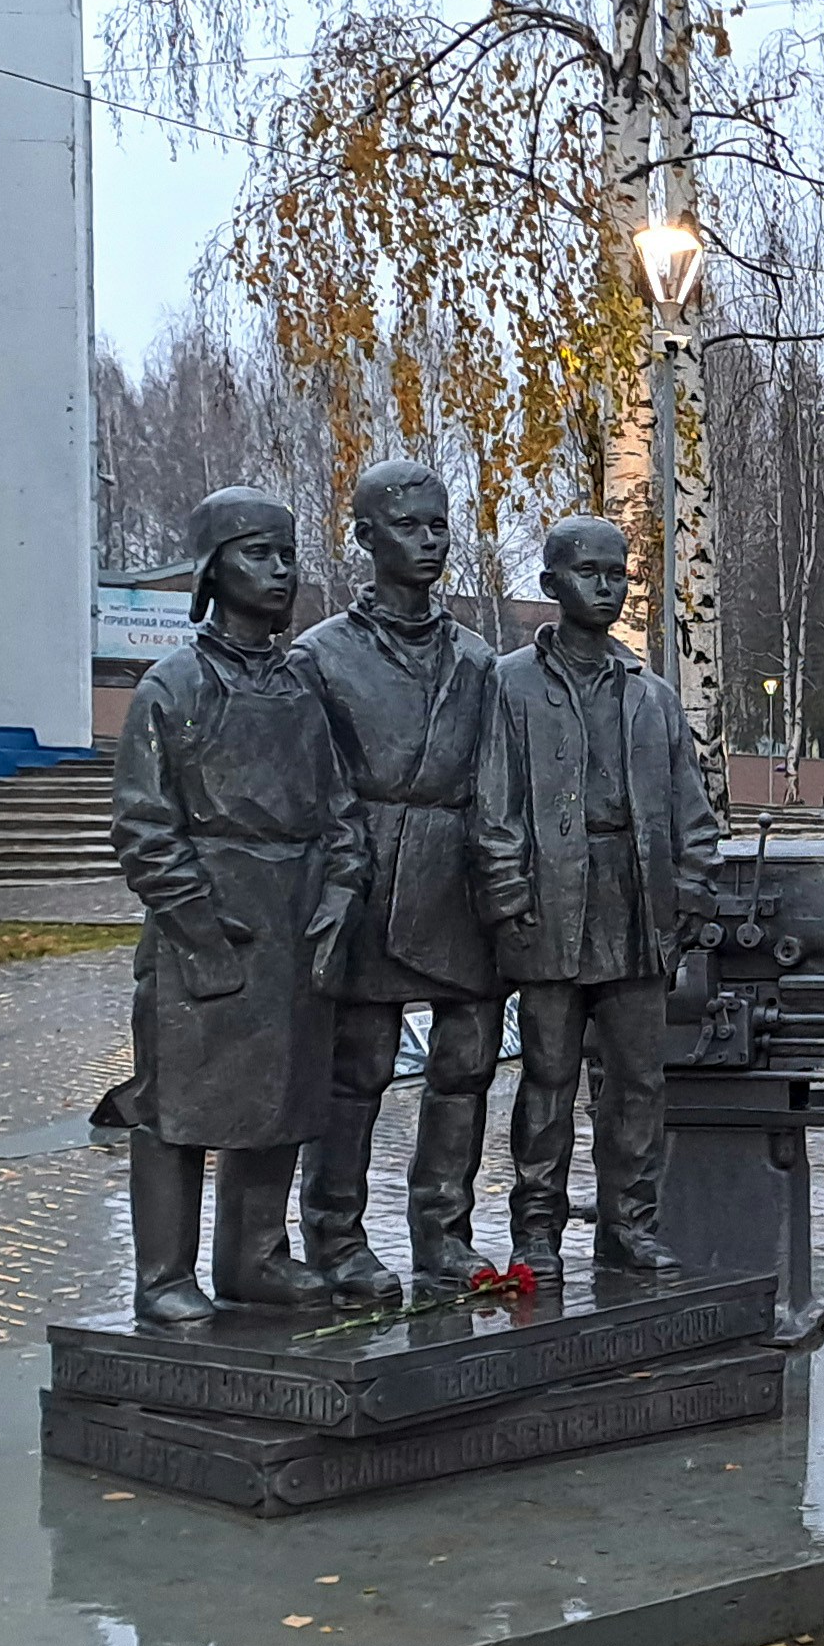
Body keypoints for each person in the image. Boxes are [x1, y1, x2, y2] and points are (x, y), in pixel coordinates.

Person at [107, 487, 367, 1323]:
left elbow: (342, 814)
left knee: (283, 1095)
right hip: (209, 927)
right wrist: (199, 925)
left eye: (288, 554)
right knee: (177, 1102)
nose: (281, 570)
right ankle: (163, 1277)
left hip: (295, 923)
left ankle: (254, 1258)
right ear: (213, 568)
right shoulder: (172, 686)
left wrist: (334, 900)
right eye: (259, 553)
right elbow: (145, 830)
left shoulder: (301, 689)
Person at [471, 516, 722, 1280]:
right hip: (552, 904)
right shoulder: (509, 684)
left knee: (640, 1081)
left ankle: (629, 1224)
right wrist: (510, 901)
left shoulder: (651, 696)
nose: (607, 587)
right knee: (548, 1075)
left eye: (618, 574)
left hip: (635, 905)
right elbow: (492, 806)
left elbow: (692, 813)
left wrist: (688, 896)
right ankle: (537, 1231)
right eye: (590, 573)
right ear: (551, 586)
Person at [293, 459, 503, 1298]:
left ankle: (442, 1233)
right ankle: (335, 1240)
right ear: (366, 537)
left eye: (440, 524)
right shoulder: (323, 657)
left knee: (467, 1058)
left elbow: (499, 774)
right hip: (371, 869)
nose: (429, 541)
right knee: (360, 1065)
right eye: (410, 525)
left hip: (458, 869)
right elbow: (316, 782)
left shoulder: (480, 659)